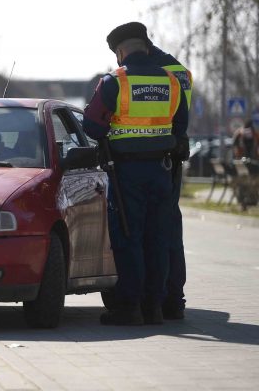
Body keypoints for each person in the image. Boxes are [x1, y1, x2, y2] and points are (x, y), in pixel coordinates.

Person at [83, 21, 189, 325]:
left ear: (120, 51)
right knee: (158, 238)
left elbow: (92, 126)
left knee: (129, 236)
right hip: (162, 170)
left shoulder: (115, 81)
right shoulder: (172, 81)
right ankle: (154, 308)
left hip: (125, 172)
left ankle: (129, 307)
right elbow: (181, 125)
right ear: (145, 45)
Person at [148, 41, 193, 321]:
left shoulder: (148, 73)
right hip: (171, 157)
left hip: (151, 158)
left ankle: (157, 297)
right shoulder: (180, 72)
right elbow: (181, 118)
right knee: (171, 229)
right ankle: (174, 299)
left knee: (151, 231)